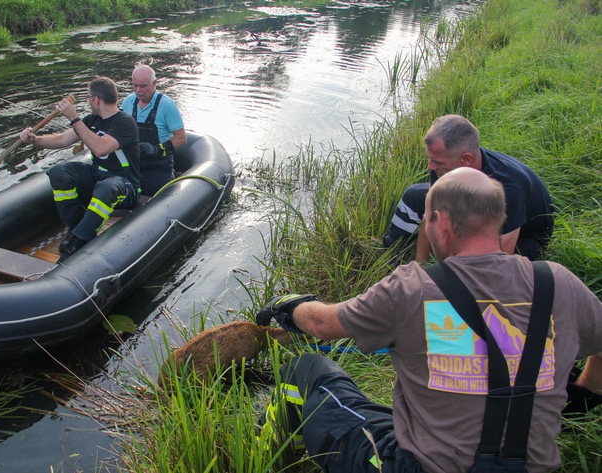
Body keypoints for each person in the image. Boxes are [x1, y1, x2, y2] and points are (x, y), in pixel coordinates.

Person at [256, 167, 602, 473]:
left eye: (427, 220)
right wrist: (584, 392)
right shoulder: (558, 283)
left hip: (417, 466)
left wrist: (289, 305)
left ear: (443, 223)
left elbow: (321, 325)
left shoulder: (411, 288)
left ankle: (271, 454)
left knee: (307, 370)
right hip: (529, 466)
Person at [382, 114, 554, 262]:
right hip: (473, 205)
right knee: (414, 195)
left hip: (526, 236)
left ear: (465, 159)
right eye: (430, 159)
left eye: (437, 162)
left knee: (472, 260)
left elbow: (501, 256)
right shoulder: (445, 165)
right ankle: (391, 250)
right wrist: (419, 270)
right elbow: (430, 216)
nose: (430, 167)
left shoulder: (508, 187)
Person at [20, 77, 140, 263]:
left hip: (125, 183)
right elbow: (61, 139)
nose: (87, 101)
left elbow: (101, 147)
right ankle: (75, 224)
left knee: (107, 188)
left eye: (88, 97)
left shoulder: (125, 122)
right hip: (98, 175)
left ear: (96, 99)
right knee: (59, 172)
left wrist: (73, 117)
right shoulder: (91, 120)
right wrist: (35, 139)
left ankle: (79, 240)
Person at [120, 64, 186, 197]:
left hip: (158, 165)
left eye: (143, 86)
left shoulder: (167, 105)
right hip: (133, 163)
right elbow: (117, 128)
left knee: (156, 198)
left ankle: (171, 176)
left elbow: (181, 138)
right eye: (135, 85)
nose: (138, 90)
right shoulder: (128, 102)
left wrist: (156, 149)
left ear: (154, 83)